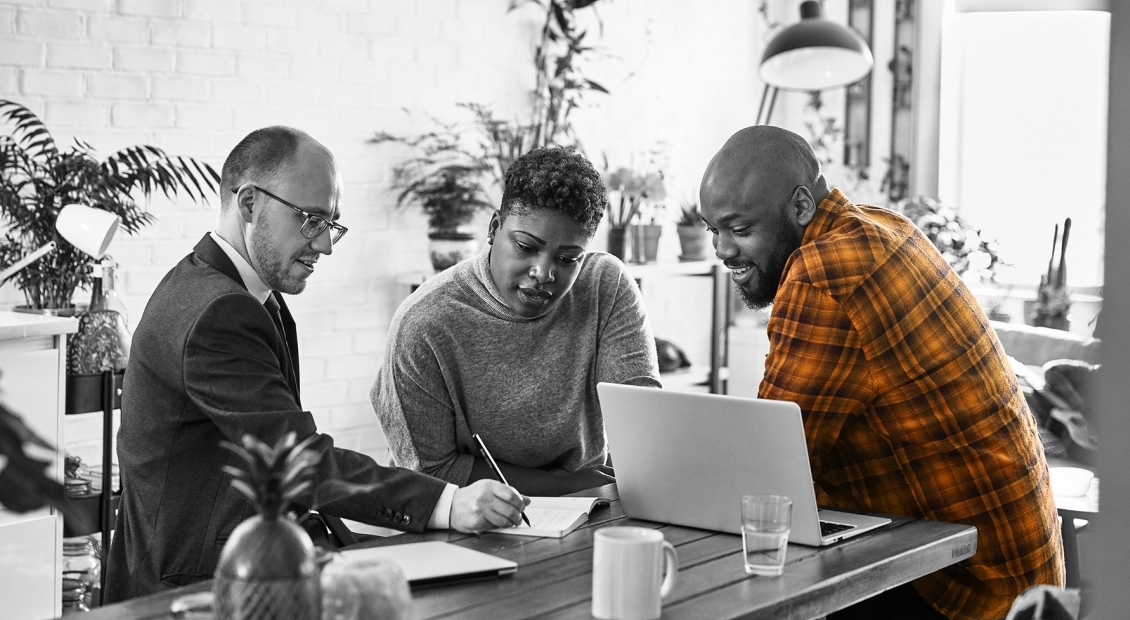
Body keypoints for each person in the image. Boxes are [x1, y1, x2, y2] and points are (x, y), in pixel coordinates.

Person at [106, 127, 526, 602]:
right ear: (248, 205)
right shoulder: (218, 312)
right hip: (191, 590)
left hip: (245, 563)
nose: (325, 245)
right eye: (310, 220)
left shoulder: (239, 293)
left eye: (331, 224)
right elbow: (299, 460)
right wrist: (448, 502)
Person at [698, 126, 1063, 620]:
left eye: (740, 230)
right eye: (711, 229)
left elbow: (770, 469)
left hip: (965, 587)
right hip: (1024, 572)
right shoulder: (886, 225)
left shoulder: (823, 269)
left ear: (802, 207)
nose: (722, 249)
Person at [371, 146, 660, 496]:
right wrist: (565, 486)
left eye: (568, 258)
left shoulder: (604, 286)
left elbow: (641, 423)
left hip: (588, 507)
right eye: (525, 247)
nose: (543, 273)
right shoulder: (425, 322)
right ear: (494, 228)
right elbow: (430, 471)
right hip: (467, 519)